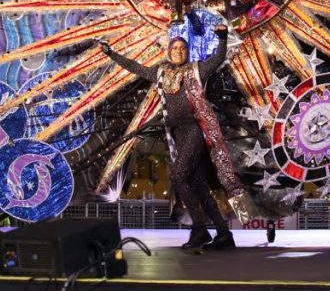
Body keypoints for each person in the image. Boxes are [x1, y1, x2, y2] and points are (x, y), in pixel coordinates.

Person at [100, 24, 250, 251]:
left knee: (178, 176)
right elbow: (135, 67)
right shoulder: (160, 72)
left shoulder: (196, 70)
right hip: (178, 134)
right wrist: (111, 53)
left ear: (187, 52)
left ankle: (199, 229)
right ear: (169, 51)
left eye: (182, 48)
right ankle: (223, 233)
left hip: (195, 131)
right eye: (175, 48)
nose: (179, 51)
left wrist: (222, 37)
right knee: (198, 185)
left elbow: (219, 57)